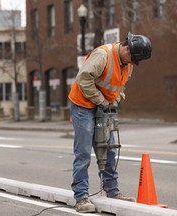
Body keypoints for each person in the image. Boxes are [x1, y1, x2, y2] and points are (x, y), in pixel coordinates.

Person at [68, 32, 152, 213]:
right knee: (83, 152)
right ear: (126, 47)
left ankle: (112, 190)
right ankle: (81, 197)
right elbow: (83, 79)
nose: (132, 63)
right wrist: (102, 101)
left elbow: (119, 86)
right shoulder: (103, 55)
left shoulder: (128, 63)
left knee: (108, 148)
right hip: (83, 105)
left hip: (103, 107)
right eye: (132, 58)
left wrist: (116, 100)